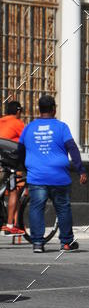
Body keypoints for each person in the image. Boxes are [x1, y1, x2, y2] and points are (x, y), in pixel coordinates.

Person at [17, 94, 88, 253]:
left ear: (39, 109)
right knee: (63, 208)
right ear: (54, 109)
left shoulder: (29, 128)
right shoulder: (61, 127)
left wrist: (25, 168)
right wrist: (81, 170)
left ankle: (37, 243)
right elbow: (72, 148)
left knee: (36, 208)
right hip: (59, 177)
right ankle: (66, 243)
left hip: (36, 177)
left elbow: (19, 150)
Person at [0, 100, 26, 235]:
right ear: (18, 111)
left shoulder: (1, 121)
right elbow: (27, 141)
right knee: (13, 190)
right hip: (9, 162)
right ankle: (10, 225)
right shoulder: (17, 123)